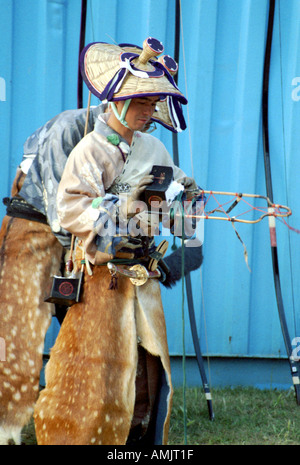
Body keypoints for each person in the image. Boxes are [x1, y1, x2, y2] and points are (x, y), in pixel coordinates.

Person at [33, 37, 199, 446]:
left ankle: (139, 442)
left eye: (152, 103)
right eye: (141, 102)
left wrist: (187, 201)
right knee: (97, 371)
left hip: (143, 281)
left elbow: (177, 221)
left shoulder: (155, 149)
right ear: (118, 102)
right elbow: (71, 209)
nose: (148, 112)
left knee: (148, 370)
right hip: (99, 282)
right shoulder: (90, 150)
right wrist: (119, 209)